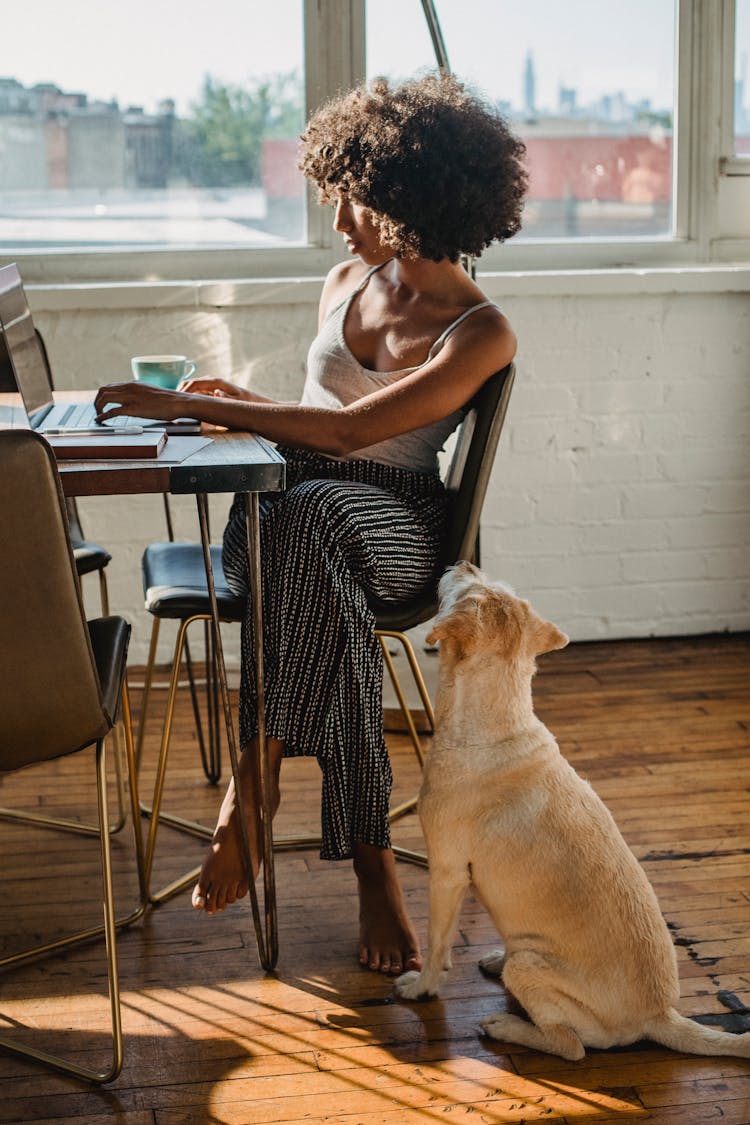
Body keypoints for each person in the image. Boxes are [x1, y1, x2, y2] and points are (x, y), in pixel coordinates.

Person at [95, 73, 527, 975]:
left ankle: (256, 787)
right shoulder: (345, 279)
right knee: (298, 526)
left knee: (306, 521)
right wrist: (246, 403)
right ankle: (365, 856)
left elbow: (354, 431)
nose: (341, 227)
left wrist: (186, 399)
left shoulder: (481, 331)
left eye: (356, 203)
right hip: (300, 516)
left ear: (413, 201)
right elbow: (311, 415)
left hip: (401, 529)